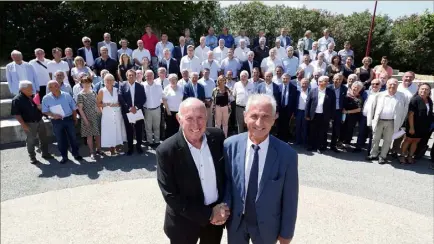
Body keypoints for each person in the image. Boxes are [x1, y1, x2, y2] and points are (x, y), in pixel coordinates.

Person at [223, 93, 299, 244]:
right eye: (254, 116)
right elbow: (226, 183)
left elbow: (290, 199)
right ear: (245, 116)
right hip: (236, 223)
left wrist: (286, 233)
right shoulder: (229, 146)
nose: (259, 122)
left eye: (265, 116)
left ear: (274, 118)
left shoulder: (287, 155)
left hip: (267, 226)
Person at [156, 98, 228, 244]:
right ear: (179, 119)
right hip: (183, 224)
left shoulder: (218, 137)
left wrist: (223, 208)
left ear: (206, 117)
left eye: (200, 117)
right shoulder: (166, 151)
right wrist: (208, 214)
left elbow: (226, 176)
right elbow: (170, 196)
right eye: (189, 118)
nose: (196, 124)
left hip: (214, 223)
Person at [367, 78, 408, 164]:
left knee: (388, 140)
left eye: (395, 84)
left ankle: (382, 156)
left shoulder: (402, 96)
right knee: (375, 138)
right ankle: (373, 154)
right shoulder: (379, 95)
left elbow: (405, 111)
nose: (392, 86)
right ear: (386, 85)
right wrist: (370, 122)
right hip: (379, 120)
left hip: (392, 122)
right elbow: (372, 109)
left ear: (397, 86)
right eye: (390, 84)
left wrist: (401, 123)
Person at [11, 80, 53, 164]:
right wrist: (23, 125)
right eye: (30, 89)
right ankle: (32, 157)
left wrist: (40, 107)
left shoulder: (33, 96)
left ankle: (45, 153)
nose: (33, 90)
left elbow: (38, 107)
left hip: (39, 120)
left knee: (44, 138)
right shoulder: (17, 100)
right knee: (30, 140)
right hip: (29, 123)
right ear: (23, 89)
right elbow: (16, 114)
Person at [42, 80, 82, 164]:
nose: (55, 88)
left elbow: (74, 108)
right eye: (52, 86)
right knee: (60, 140)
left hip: (68, 119)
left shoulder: (66, 95)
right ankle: (64, 157)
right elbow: (45, 111)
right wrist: (53, 115)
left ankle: (76, 154)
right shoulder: (46, 98)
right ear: (49, 88)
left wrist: (75, 118)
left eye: (56, 86)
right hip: (56, 121)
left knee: (73, 138)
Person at [399, 83, 433, 164]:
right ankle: (402, 156)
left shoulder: (429, 100)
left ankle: (410, 156)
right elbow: (411, 114)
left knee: (416, 141)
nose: (424, 91)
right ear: (418, 90)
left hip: (423, 126)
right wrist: (411, 127)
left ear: (429, 91)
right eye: (422, 89)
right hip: (413, 125)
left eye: (426, 89)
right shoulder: (415, 100)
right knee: (408, 140)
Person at [118, 70, 146, 154]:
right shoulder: (122, 86)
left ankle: (139, 146)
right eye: (129, 75)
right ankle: (130, 148)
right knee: (129, 130)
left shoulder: (140, 86)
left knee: (138, 130)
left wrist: (136, 107)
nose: (131, 76)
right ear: (126, 76)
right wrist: (129, 108)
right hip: (127, 111)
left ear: (135, 76)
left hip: (138, 111)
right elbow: (121, 98)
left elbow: (143, 98)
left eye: (132, 75)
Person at [305, 76, 336, 153]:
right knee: (312, 131)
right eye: (324, 81)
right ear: (319, 82)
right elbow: (308, 104)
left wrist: (332, 117)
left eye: (327, 81)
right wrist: (307, 115)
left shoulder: (331, 92)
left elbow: (333, 105)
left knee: (322, 132)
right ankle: (311, 145)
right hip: (314, 115)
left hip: (324, 115)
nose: (326, 83)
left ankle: (319, 146)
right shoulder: (313, 91)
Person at [97, 74, 126, 156]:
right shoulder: (102, 91)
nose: (109, 82)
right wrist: (107, 104)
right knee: (109, 131)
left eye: (111, 80)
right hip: (107, 114)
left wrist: (119, 104)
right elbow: (98, 104)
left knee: (117, 130)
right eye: (107, 80)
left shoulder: (117, 90)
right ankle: (111, 150)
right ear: (104, 81)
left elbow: (121, 102)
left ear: (114, 81)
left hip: (117, 114)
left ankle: (117, 148)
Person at [76, 76, 102, 160]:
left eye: (88, 82)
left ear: (91, 83)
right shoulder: (80, 95)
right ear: (81, 84)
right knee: (89, 136)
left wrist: (100, 113)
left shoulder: (94, 92)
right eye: (84, 82)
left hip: (96, 116)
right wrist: (85, 120)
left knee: (98, 134)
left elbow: (97, 104)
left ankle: (99, 149)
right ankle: (91, 152)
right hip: (87, 117)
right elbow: (80, 109)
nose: (86, 84)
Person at [355, 78, 381, 153]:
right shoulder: (366, 92)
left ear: (380, 85)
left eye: (377, 84)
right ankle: (358, 147)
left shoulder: (382, 94)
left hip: (374, 118)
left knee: (372, 135)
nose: (374, 85)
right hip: (364, 115)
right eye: (373, 84)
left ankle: (370, 151)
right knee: (361, 132)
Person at [142, 70, 163, 147]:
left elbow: (162, 96)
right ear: (145, 77)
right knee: (148, 127)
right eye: (147, 76)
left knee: (157, 126)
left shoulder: (158, 85)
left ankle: (157, 141)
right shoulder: (142, 85)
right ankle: (150, 141)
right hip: (147, 110)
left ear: (153, 76)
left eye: (150, 75)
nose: (149, 77)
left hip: (157, 109)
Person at [328, 73, 347, 153]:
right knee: (325, 127)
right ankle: (322, 144)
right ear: (333, 79)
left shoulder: (344, 88)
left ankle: (333, 145)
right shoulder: (328, 88)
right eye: (336, 79)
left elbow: (345, 99)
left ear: (342, 80)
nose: (338, 81)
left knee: (336, 129)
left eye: (340, 79)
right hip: (329, 111)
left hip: (338, 111)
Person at [340, 81, 364, 148]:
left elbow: (359, 109)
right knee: (341, 128)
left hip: (352, 117)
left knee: (349, 130)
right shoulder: (346, 94)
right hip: (343, 115)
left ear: (360, 89)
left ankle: (346, 143)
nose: (355, 88)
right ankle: (340, 142)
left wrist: (347, 111)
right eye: (354, 87)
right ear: (351, 87)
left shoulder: (359, 98)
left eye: (357, 88)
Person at [277, 73, 298, 143]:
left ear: (289, 79)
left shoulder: (294, 88)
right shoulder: (278, 87)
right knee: (279, 123)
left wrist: (294, 112)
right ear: (281, 79)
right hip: (280, 109)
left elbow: (295, 101)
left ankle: (285, 139)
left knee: (286, 124)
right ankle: (279, 138)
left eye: (287, 78)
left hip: (288, 109)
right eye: (284, 78)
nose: (285, 80)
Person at [162, 74, 183, 138]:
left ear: (177, 80)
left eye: (174, 79)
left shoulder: (181, 88)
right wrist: (168, 110)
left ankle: (176, 143)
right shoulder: (166, 88)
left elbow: (182, 99)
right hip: (169, 112)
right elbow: (164, 100)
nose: (173, 81)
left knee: (177, 128)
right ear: (169, 80)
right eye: (171, 79)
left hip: (178, 112)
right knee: (169, 128)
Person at [295, 78, 310, 146]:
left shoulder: (310, 92)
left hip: (306, 112)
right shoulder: (297, 92)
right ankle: (298, 141)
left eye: (306, 83)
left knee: (305, 127)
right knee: (298, 127)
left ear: (308, 84)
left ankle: (304, 142)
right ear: (300, 84)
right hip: (298, 112)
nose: (304, 85)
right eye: (303, 83)